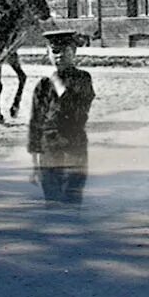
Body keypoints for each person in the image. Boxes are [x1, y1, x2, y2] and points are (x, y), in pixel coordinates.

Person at [28, 30, 95, 205]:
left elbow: (77, 112)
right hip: (49, 150)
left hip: (74, 146)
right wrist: (35, 163)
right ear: (48, 54)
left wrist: (58, 83)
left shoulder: (83, 79)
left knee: (72, 199)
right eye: (54, 51)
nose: (58, 56)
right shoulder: (43, 85)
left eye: (64, 51)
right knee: (52, 201)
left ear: (74, 53)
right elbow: (35, 122)